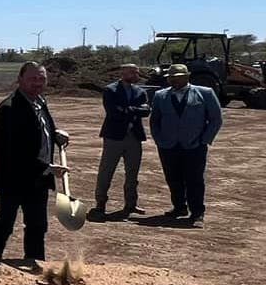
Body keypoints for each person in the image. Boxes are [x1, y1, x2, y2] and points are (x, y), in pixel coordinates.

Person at [0, 62, 67, 269]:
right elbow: (16, 151)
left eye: (41, 79)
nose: (38, 83)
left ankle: (34, 266)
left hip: (38, 180)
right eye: (33, 78)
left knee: (38, 226)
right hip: (14, 179)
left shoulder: (39, 101)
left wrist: (55, 134)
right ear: (20, 80)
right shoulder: (9, 109)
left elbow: (38, 130)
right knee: (4, 224)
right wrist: (47, 167)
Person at [149, 63, 224, 228]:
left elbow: (215, 119)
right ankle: (179, 208)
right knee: (173, 178)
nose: (174, 81)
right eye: (171, 78)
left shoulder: (205, 93)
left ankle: (197, 213)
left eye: (178, 78)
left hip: (194, 146)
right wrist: (159, 139)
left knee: (194, 180)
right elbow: (154, 121)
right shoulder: (160, 96)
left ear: (187, 77)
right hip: (168, 145)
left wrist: (204, 140)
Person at [93, 63, 150, 218]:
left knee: (132, 173)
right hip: (114, 137)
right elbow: (113, 112)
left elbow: (146, 111)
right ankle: (100, 203)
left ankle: (131, 204)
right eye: (133, 72)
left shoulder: (140, 91)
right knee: (106, 171)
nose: (136, 75)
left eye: (137, 72)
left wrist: (128, 110)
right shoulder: (110, 90)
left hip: (134, 137)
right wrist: (135, 110)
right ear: (123, 73)